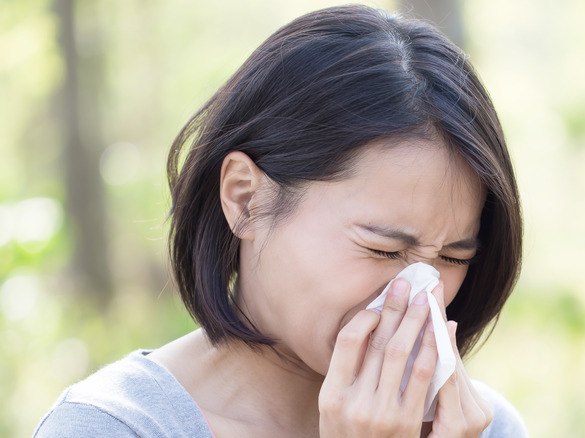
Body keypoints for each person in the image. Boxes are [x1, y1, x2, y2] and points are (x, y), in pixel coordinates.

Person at [35, 5, 527, 437]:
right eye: (383, 249)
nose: (423, 295)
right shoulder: (113, 427)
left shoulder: (482, 427)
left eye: (452, 256)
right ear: (245, 198)